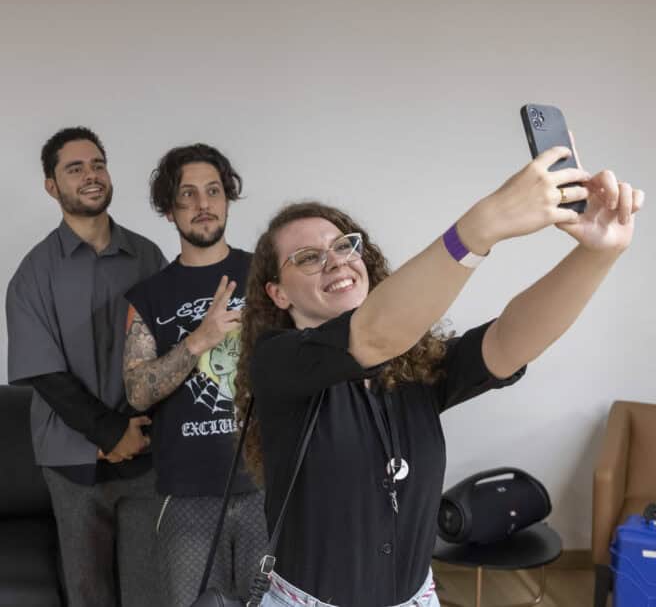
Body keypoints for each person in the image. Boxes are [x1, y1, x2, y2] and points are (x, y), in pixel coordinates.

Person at [233, 146, 643, 607]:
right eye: (308, 257)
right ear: (278, 294)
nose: (336, 261)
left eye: (344, 245)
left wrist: (597, 255)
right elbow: (373, 335)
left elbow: (509, 341)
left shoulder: (410, 366)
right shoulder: (276, 362)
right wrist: (481, 227)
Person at [6, 126, 166, 607]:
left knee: (149, 591)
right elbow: (44, 373)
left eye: (97, 165)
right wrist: (111, 433)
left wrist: (136, 431)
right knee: (88, 593)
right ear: (51, 186)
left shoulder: (148, 256)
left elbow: (171, 353)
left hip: (146, 449)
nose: (90, 175)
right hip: (72, 454)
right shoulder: (33, 272)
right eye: (74, 169)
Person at [123, 143, 266, 605]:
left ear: (227, 198)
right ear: (169, 210)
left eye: (213, 190)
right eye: (188, 194)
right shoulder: (148, 296)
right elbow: (137, 393)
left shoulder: (267, 276)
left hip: (268, 484)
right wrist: (199, 340)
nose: (203, 203)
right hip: (187, 493)